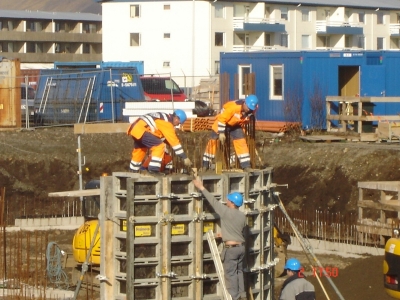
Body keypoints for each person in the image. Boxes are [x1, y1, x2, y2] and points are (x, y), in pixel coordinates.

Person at [192, 178, 247, 300]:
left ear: (232, 203)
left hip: (231, 250)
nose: (226, 201)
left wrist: (201, 187)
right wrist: (225, 234)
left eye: (229, 199)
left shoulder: (226, 212)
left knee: (230, 273)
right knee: (239, 272)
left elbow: (213, 201)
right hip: (241, 248)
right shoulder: (242, 216)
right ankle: (242, 294)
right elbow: (237, 230)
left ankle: (235, 297)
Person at [201, 94, 259, 172]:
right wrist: (221, 132)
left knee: (241, 141)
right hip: (222, 122)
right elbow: (222, 119)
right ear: (244, 103)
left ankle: (246, 165)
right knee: (213, 141)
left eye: (251, 109)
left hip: (235, 124)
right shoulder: (233, 108)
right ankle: (205, 164)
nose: (249, 110)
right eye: (248, 108)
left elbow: (246, 117)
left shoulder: (252, 109)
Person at [126, 109, 192, 174]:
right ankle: (153, 170)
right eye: (179, 123)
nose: (177, 125)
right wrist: (184, 157)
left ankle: (133, 171)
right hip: (142, 129)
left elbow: (162, 137)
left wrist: (169, 143)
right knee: (159, 146)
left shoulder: (163, 118)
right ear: (176, 118)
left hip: (135, 128)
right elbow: (174, 142)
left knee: (140, 150)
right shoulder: (167, 123)